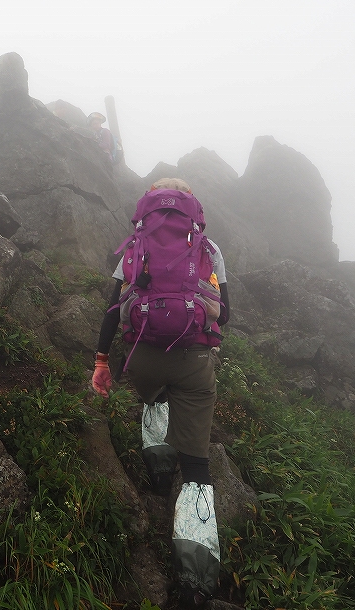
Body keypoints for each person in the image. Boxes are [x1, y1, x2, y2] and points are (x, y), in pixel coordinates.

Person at [91, 177, 230, 607]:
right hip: (193, 361)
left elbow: (114, 310)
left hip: (143, 354)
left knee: (153, 397)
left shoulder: (136, 244)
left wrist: (101, 361)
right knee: (198, 466)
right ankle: (196, 580)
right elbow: (227, 315)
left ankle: (157, 473)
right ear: (192, 208)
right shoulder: (208, 249)